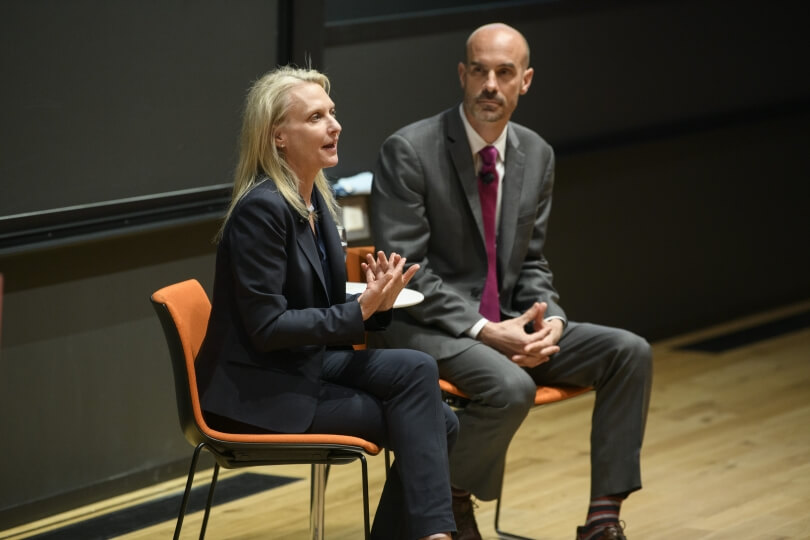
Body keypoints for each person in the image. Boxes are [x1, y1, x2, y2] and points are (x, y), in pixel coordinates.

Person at [369, 23, 653, 540]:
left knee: (628, 351)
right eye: (479, 71)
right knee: (511, 386)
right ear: (462, 74)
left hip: (505, 326)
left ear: (526, 81)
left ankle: (602, 520)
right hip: (424, 327)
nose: (490, 85)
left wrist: (553, 321)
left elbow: (533, 263)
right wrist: (484, 329)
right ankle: (448, 501)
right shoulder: (409, 150)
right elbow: (406, 268)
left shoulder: (536, 153)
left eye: (504, 73)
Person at [195, 66, 457, 540]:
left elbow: (323, 304)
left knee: (421, 376)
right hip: (260, 393)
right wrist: (358, 311)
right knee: (436, 424)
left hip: (303, 366)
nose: (334, 126)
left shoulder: (315, 196)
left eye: (332, 113)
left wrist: (377, 304)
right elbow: (267, 327)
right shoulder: (263, 209)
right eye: (316, 117)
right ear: (279, 137)